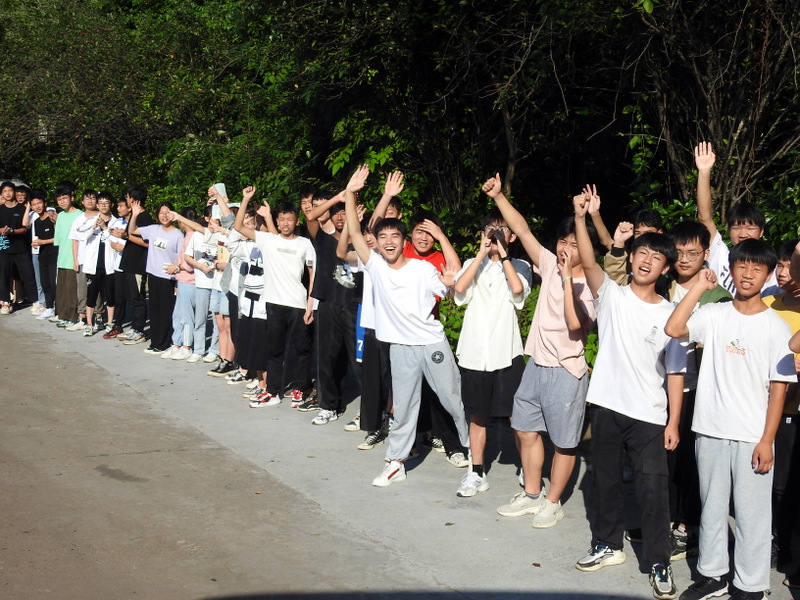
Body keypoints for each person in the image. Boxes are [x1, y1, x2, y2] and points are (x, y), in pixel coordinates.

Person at [665, 240, 795, 600]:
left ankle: (752, 585)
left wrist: (767, 440)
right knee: (712, 507)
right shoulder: (714, 314)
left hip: (752, 434)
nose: (748, 274)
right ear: (731, 269)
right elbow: (674, 328)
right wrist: (699, 288)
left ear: (768, 275)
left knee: (753, 514)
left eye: (757, 268)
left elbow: (779, 390)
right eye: (742, 266)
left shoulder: (776, 327)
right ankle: (713, 575)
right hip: (709, 428)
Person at [572, 190, 684, 600]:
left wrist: (673, 421)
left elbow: (675, 373)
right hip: (607, 405)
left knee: (652, 490)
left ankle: (658, 561)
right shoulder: (612, 296)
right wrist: (580, 218)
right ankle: (608, 544)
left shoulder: (670, 315)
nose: (646, 260)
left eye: (656, 256)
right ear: (631, 256)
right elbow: (588, 263)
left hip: (650, 415)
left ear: (665, 268)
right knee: (604, 480)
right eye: (641, 253)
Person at [343, 164, 470, 490]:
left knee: (451, 398)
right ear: (377, 242)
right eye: (383, 236)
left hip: (431, 343)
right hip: (400, 348)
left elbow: (450, 288)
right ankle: (396, 462)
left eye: (394, 236)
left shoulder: (423, 269)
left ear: (403, 242)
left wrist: (449, 283)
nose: (388, 241)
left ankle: (472, 449)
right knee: (403, 407)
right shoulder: (375, 266)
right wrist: (351, 192)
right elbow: (355, 233)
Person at [487, 177, 596, 528]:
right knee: (524, 429)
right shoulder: (548, 263)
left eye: (574, 243)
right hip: (536, 364)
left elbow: (576, 324)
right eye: (563, 241)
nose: (566, 248)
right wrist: (499, 196)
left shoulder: (592, 286)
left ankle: (553, 502)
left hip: (567, 371)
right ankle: (532, 494)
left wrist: (566, 279)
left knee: (564, 443)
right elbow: (522, 229)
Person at [662, 220, 732, 562]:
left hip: (698, 391)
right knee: (663, 460)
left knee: (690, 461)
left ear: (706, 254)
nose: (685, 259)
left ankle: (686, 526)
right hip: (658, 387)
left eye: (693, 253)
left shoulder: (717, 296)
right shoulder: (661, 285)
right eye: (679, 252)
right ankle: (665, 518)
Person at [452, 201, 531, 499]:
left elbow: (518, 291)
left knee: (516, 417)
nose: (496, 234)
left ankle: (527, 467)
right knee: (477, 415)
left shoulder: (521, 266)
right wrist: (481, 254)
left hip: (506, 352)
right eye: (490, 229)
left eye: (502, 230)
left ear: (512, 235)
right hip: (474, 352)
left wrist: (504, 256)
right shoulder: (473, 263)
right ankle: (476, 472)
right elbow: (460, 289)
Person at [235, 189, 316, 407]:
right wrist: (245, 199)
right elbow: (238, 226)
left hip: (298, 304)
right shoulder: (267, 240)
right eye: (282, 219)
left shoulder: (304, 243)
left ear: (296, 220)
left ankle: (299, 389)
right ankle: (272, 391)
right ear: (277, 222)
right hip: (273, 304)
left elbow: (312, 275)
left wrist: (310, 303)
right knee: (274, 351)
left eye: (290, 219)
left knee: (301, 351)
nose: (286, 223)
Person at [694, 141, 779, 296]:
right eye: (737, 228)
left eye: (750, 228)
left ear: (761, 232)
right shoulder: (721, 255)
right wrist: (704, 172)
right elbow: (704, 218)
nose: (743, 234)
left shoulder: (773, 271)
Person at [761, 240, 800, 572]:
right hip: (767, 407)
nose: (784, 272)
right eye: (781, 266)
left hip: (792, 408)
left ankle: (786, 545)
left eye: (792, 265)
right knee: (774, 483)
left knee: (788, 485)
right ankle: (775, 541)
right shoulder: (766, 304)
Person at [128, 202, 186, 354]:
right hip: (153, 275)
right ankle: (155, 342)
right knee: (154, 310)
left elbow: (182, 258)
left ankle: (164, 343)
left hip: (168, 278)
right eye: (161, 213)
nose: (164, 216)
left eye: (167, 212)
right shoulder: (153, 229)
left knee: (166, 311)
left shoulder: (178, 234)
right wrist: (134, 215)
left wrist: (177, 279)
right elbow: (132, 230)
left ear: (173, 214)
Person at [118, 185, 153, 345]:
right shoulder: (135, 216)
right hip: (129, 264)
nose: (126, 200)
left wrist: (126, 236)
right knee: (132, 298)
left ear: (132, 199)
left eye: (127, 197)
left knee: (138, 298)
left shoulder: (144, 218)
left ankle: (139, 331)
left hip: (138, 265)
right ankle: (134, 327)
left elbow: (147, 243)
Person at [0, 181, 37, 313]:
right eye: (5, 191)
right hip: (4, 248)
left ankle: (35, 301)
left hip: (21, 248)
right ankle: (5, 302)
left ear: (14, 192)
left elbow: (25, 228)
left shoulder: (21, 209)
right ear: (1, 194)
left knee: (27, 275)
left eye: (10, 190)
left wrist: (12, 231)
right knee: (3, 276)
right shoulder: (0, 209)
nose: (8, 193)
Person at [52, 184, 83, 327]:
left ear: (72, 197)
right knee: (62, 290)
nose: (62, 201)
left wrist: (77, 259)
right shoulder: (60, 216)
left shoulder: (80, 215)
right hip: (62, 258)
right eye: (59, 199)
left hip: (74, 259)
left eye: (64, 198)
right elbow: (58, 239)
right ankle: (63, 315)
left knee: (72, 290)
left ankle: (72, 317)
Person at [29, 190, 58, 321]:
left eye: (39, 203)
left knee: (53, 283)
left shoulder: (52, 217)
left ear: (45, 202)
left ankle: (58, 307)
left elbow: (59, 238)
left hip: (54, 255)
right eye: (34, 204)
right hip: (43, 255)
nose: (37, 206)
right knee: (45, 283)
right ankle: (49, 308)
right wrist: (36, 243)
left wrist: (42, 242)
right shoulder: (36, 222)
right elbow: (40, 239)